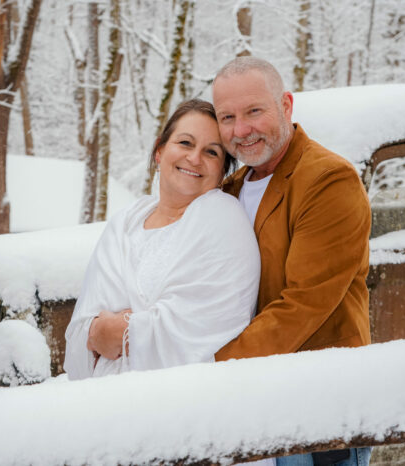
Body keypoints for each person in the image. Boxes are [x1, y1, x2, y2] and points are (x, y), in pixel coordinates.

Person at [211, 57, 372, 466]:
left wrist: (208, 368)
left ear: (286, 105)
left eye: (253, 111)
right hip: (252, 406)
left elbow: (304, 304)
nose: (240, 130)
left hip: (316, 409)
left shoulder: (327, 179)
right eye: (227, 117)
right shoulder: (227, 190)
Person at [63, 99, 261, 380]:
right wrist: (100, 331)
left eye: (211, 152)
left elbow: (205, 324)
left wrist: (121, 330)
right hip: (99, 394)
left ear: (222, 172)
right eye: (185, 143)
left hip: (178, 397)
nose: (194, 158)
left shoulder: (223, 219)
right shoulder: (125, 222)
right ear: (159, 150)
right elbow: (83, 328)